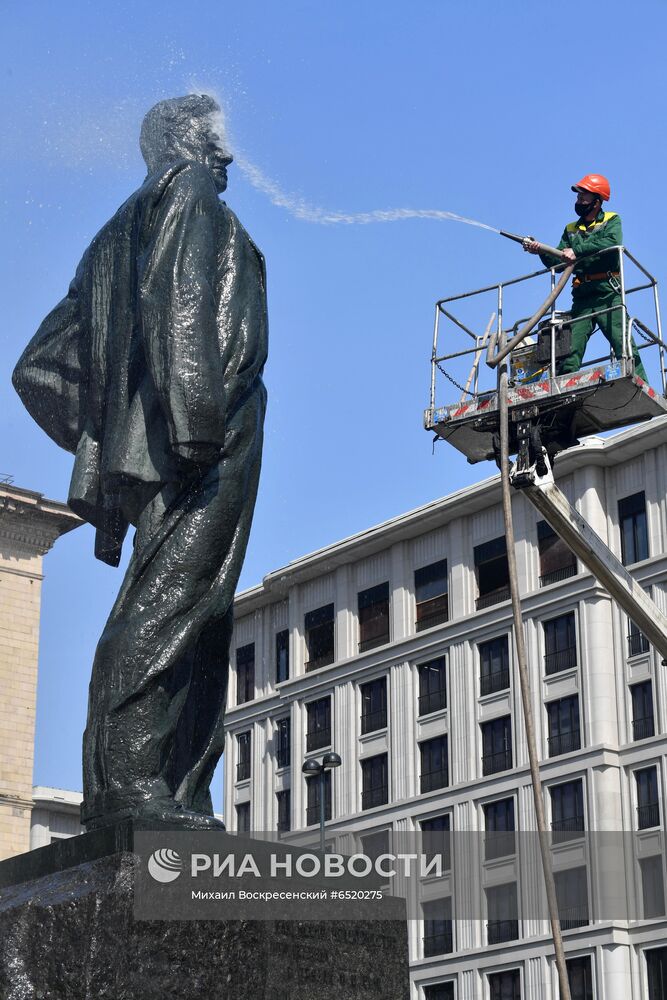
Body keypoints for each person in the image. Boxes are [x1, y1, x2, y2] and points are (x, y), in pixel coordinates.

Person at [12, 95, 268, 830]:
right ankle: (132, 786)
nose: (228, 155)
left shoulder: (116, 230)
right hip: (207, 428)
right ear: (182, 141)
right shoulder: (186, 193)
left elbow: (40, 364)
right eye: (215, 139)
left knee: (196, 605)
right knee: (175, 602)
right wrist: (189, 424)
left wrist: (114, 438)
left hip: (182, 427)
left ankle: (172, 787)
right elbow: (180, 301)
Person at [524, 174, 648, 381]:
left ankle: (641, 384)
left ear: (597, 201)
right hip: (582, 297)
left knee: (624, 344)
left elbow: (610, 243)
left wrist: (577, 250)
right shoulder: (571, 229)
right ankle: (562, 392)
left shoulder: (612, 220)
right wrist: (541, 251)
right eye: (578, 197)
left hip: (607, 294)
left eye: (583, 197)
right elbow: (559, 261)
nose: (579, 201)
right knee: (570, 352)